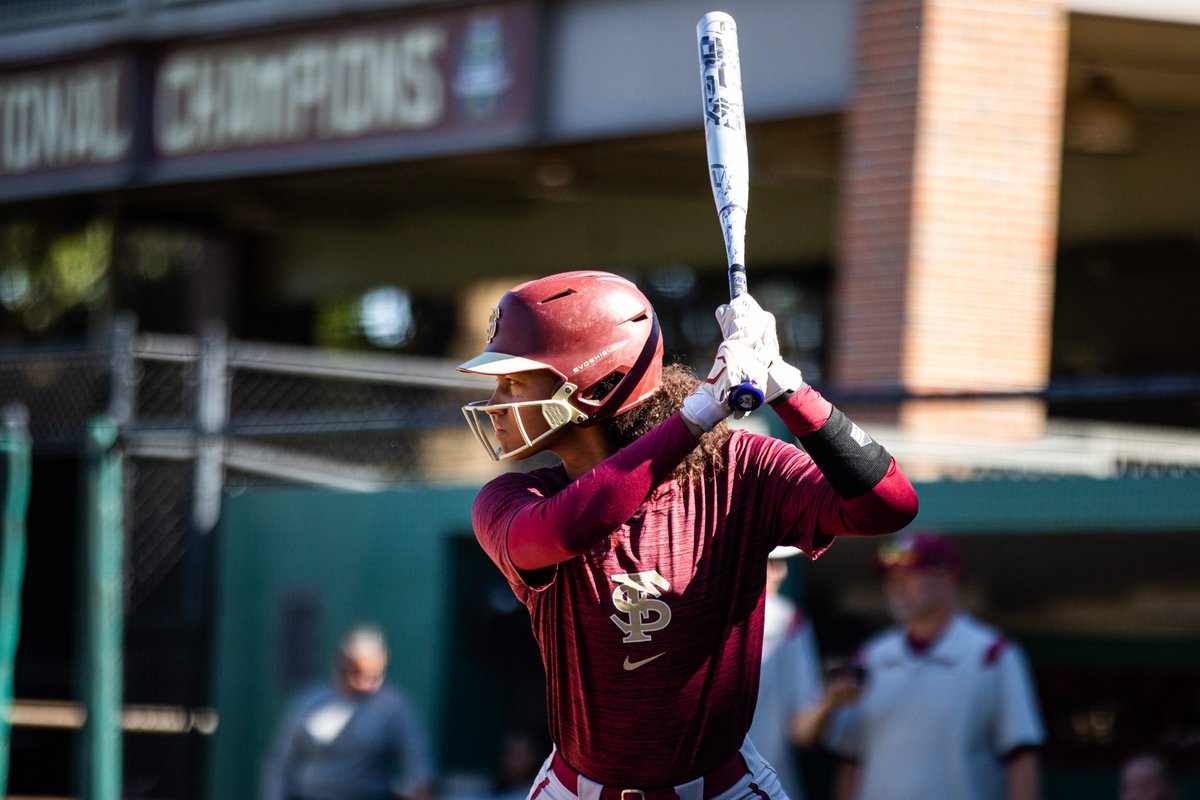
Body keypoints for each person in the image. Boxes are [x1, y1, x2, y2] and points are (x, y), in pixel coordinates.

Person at [455, 270, 919, 800]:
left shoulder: (739, 468)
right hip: (574, 790)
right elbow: (569, 529)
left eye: (513, 381)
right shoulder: (513, 501)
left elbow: (889, 504)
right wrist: (699, 411)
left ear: (598, 386)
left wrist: (788, 386)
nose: (495, 401)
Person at [823, 532, 1045, 800]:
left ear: (946, 576)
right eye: (891, 578)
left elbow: (1020, 756)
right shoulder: (869, 656)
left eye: (910, 575)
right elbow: (851, 759)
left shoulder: (993, 653)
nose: (897, 586)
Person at [261, 624, 435, 800]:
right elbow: (280, 762)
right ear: (339, 666)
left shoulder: (392, 706)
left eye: (373, 675)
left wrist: (420, 786)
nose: (363, 683)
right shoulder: (311, 701)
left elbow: (418, 759)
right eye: (354, 672)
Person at [748, 547, 862, 800]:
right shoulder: (785, 618)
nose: (780, 572)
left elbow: (802, 731)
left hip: (758, 789)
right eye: (770, 563)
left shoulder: (788, 619)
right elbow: (802, 731)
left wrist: (830, 700)